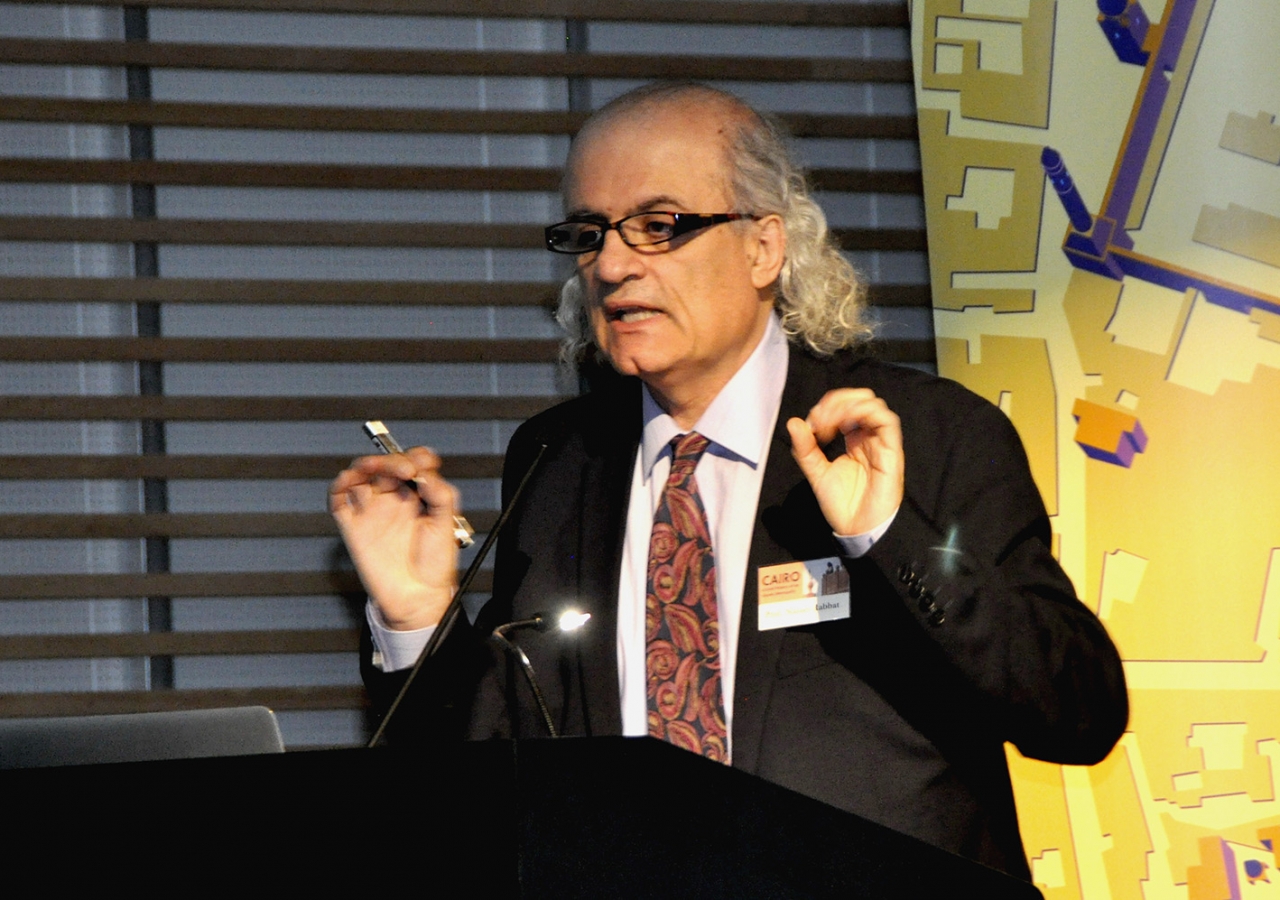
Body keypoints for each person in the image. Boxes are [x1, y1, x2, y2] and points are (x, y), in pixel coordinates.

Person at [330, 82, 1127, 879]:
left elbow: (1080, 712)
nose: (609, 265)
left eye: (657, 226)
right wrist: (419, 624)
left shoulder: (922, 433)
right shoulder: (558, 461)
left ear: (764, 248)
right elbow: (500, 789)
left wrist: (887, 539)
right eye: (589, 232)